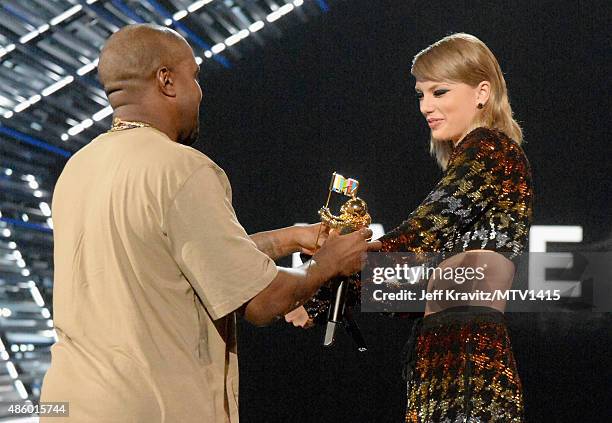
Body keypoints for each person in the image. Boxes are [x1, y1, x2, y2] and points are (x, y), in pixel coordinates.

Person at [40, 24, 381, 423]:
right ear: (167, 80)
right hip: (152, 408)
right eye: (194, 76)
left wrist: (287, 239)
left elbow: (174, 261)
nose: (199, 91)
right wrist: (328, 264)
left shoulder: (78, 168)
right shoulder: (181, 168)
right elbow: (261, 301)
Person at [298, 33, 533, 422]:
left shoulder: (490, 148)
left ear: (482, 92)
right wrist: (326, 291)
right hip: (445, 361)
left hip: (468, 369)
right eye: (421, 94)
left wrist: (328, 270)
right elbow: (418, 284)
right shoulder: (481, 155)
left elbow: (423, 232)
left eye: (439, 92)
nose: (426, 106)